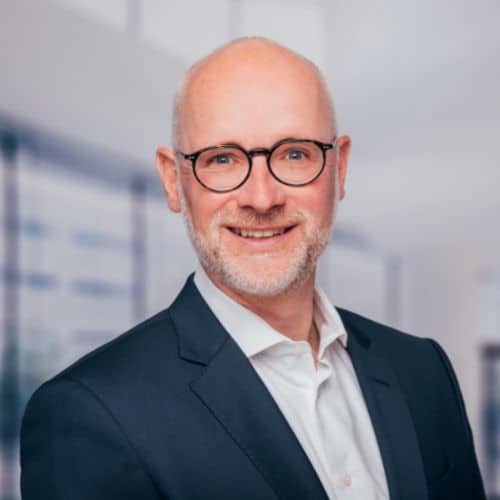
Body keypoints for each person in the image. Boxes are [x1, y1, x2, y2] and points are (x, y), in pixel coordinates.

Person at [20, 37, 485, 500]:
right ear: (173, 180)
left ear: (339, 168)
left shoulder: (423, 370)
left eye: (295, 154)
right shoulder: (90, 414)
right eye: (221, 159)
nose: (261, 198)